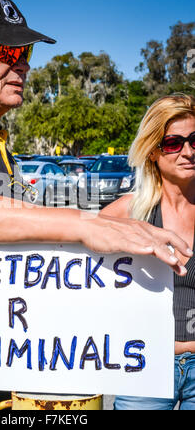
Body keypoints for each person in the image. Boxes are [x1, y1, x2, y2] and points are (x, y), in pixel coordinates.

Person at [0, 0, 192, 410]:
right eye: (6, 52)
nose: (22, 66)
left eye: (26, 54)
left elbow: (12, 229)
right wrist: (88, 224)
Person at [100, 94, 195, 410]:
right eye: (173, 143)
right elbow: (72, 259)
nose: (188, 151)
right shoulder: (131, 210)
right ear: (153, 151)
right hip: (144, 366)